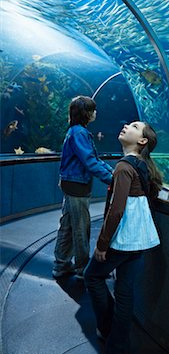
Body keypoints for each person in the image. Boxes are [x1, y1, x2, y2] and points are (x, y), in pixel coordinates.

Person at [84, 121, 162, 354]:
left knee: (92, 276)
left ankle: (107, 330)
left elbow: (116, 211)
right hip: (141, 239)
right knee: (125, 292)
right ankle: (117, 349)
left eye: (134, 126)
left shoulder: (123, 167)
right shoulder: (142, 166)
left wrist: (102, 244)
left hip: (123, 239)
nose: (126, 125)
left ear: (142, 141)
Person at [52, 96, 113, 279]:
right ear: (86, 112)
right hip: (76, 186)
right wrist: (111, 179)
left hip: (72, 184)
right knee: (81, 227)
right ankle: (83, 268)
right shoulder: (79, 133)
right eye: (93, 109)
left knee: (68, 225)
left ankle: (61, 265)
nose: (96, 112)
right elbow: (89, 161)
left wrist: (112, 172)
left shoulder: (78, 131)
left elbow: (94, 158)